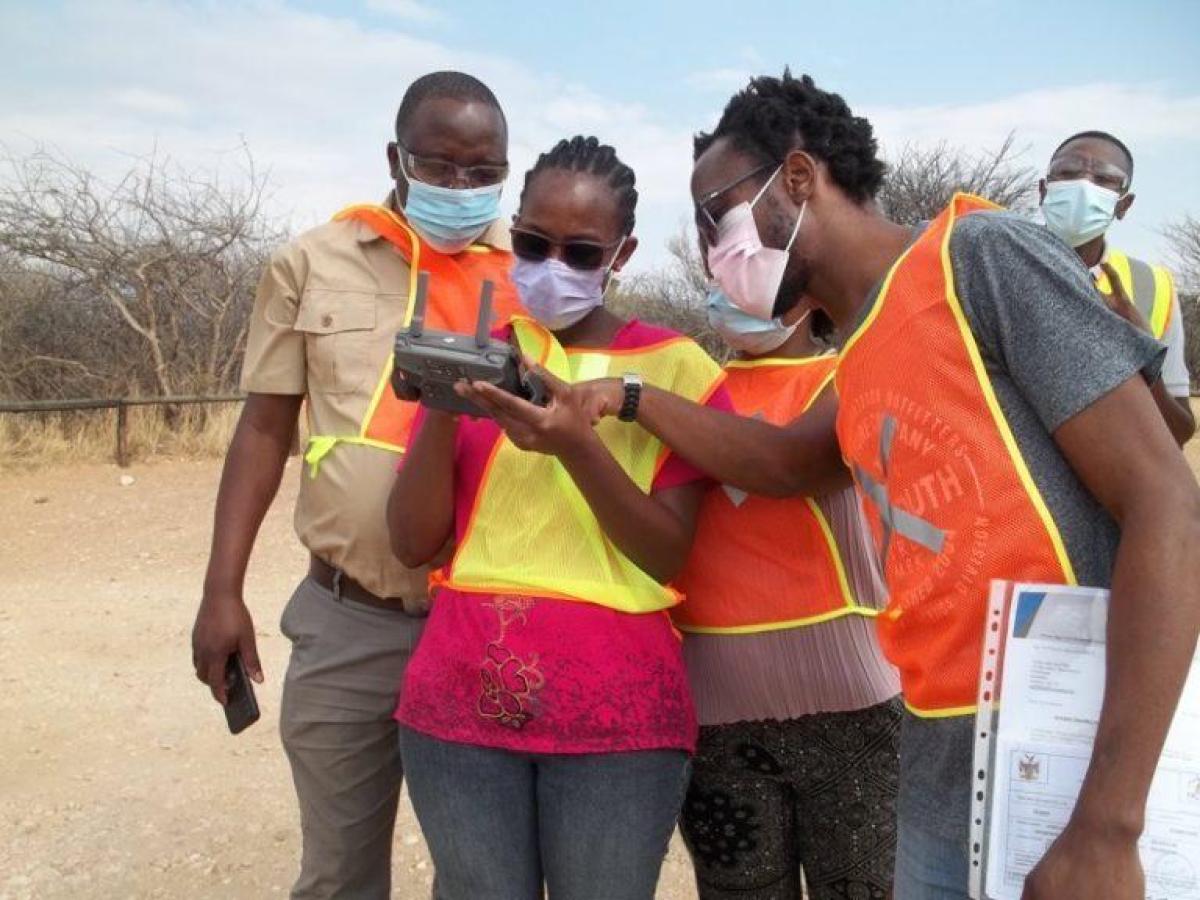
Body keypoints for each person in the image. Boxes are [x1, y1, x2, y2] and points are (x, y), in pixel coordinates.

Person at [467, 72, 1200, 900]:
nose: (714, 250)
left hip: (1065, 743)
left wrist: (1110, 823)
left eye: (719, 213)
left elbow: (1167, 502)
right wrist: (626, 399)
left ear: (800, 177)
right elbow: (780, 464)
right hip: (939, 742)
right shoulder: (866, 346)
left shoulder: (979, 259)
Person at [190, 71, 522, 899]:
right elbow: (264, 429)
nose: (461, 187)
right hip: (349, 620)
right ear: (395, 158)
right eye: (439, 166)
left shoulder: (535, 273)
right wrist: (220, 592)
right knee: (339, 875)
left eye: (484, 172)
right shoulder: (310, 261)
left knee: (487, 878)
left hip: (489, 621)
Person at [389, 136, 730, 900]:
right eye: (534, 243)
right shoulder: (486, 353)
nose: (551, 267)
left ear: (623, 253)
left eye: (580, 253)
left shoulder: (676, 371)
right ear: (513, 232)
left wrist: (579, 447)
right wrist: (445, 399)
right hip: (458, 696)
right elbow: (412, 542)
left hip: (617, 712)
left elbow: (666, 554)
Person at [673, 289, 902, 900]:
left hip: (852, 701)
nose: (734, 291)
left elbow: (786, 465)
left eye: (763, 280)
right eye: (720, 270)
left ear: (809, 291)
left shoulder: (849, 374)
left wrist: (641, 401)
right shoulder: (688, 384)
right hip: (713, 703)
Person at [1040, 130, 1195, 445]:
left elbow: (1178, 430)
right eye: (1068, 173)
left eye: (1103, 180)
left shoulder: (1150, 286)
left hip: (1104, 489)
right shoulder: (992, 264)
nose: (1083, 187)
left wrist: (1140, 353)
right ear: (1043, 190)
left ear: (1124, 205)